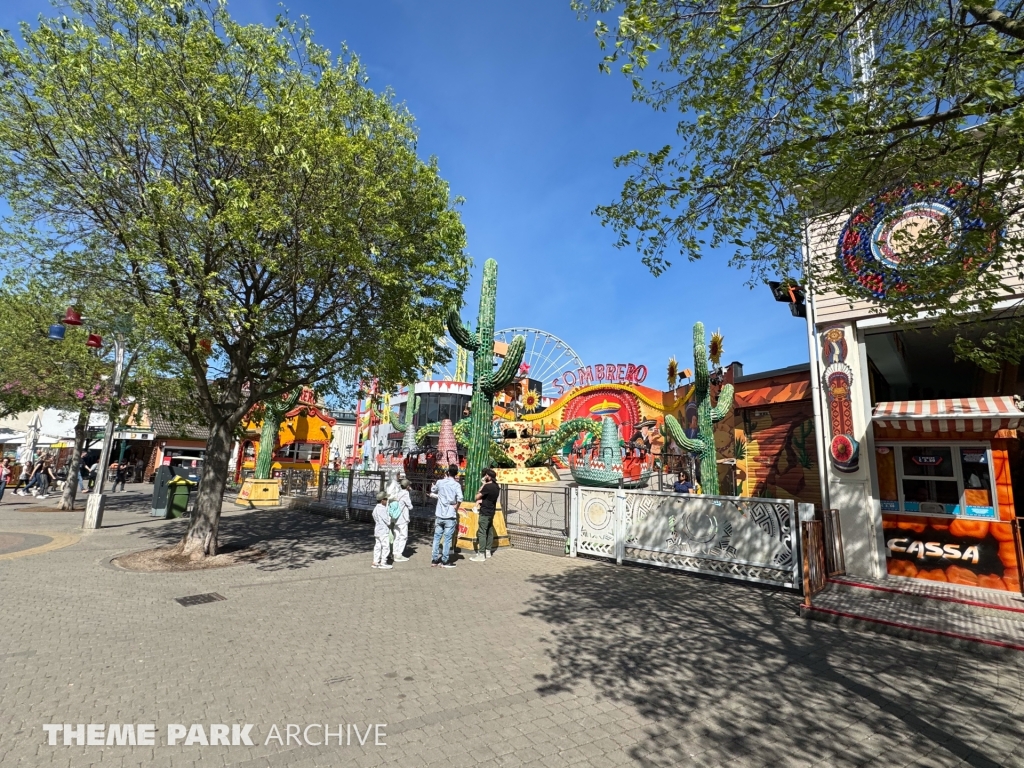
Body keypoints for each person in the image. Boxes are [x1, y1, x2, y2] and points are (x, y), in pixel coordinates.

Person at [429, 464, 463, 568]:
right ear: (456, 474)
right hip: (450, 513)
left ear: (448, 472)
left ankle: (434, 559)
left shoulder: (440, 482)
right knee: (447, 538)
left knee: (436, 537)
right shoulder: (456, 485)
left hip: (439, 513)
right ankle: (445, 560)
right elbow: (460, 498)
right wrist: (456, 506)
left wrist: (434, 485)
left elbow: (433, 490)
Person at [470, 468, 500, 562]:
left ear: (489, 476)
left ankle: (481, 554)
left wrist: (483, 484)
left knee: (482, 532)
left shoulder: (487, 486)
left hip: (485, 512)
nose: (484, 477)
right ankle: (488, 551)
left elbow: (477, 496)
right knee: (490, 531)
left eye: (486, 475)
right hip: (492, 511)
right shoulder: (496, 486)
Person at [391, 477, 413, 562]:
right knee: (403, 536)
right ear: (407, 486)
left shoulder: (398, 492)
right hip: (402, 518)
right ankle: (399, 555)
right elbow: (410, 506)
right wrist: (409, 492)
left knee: (396, 535)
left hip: (395, 517)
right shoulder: (406, 494)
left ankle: (394, 552)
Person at [371, 491, 393, 570]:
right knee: (385, 547)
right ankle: (383, 562)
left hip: (377, 530)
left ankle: (375, 561)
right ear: (382, 500)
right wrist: (390, 517)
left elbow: (373, 516)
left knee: (377, 546)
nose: (387, 501)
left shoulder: (376, 508)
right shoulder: (382, 509)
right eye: (386, 499)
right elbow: (388, 521)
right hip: (383, 531)